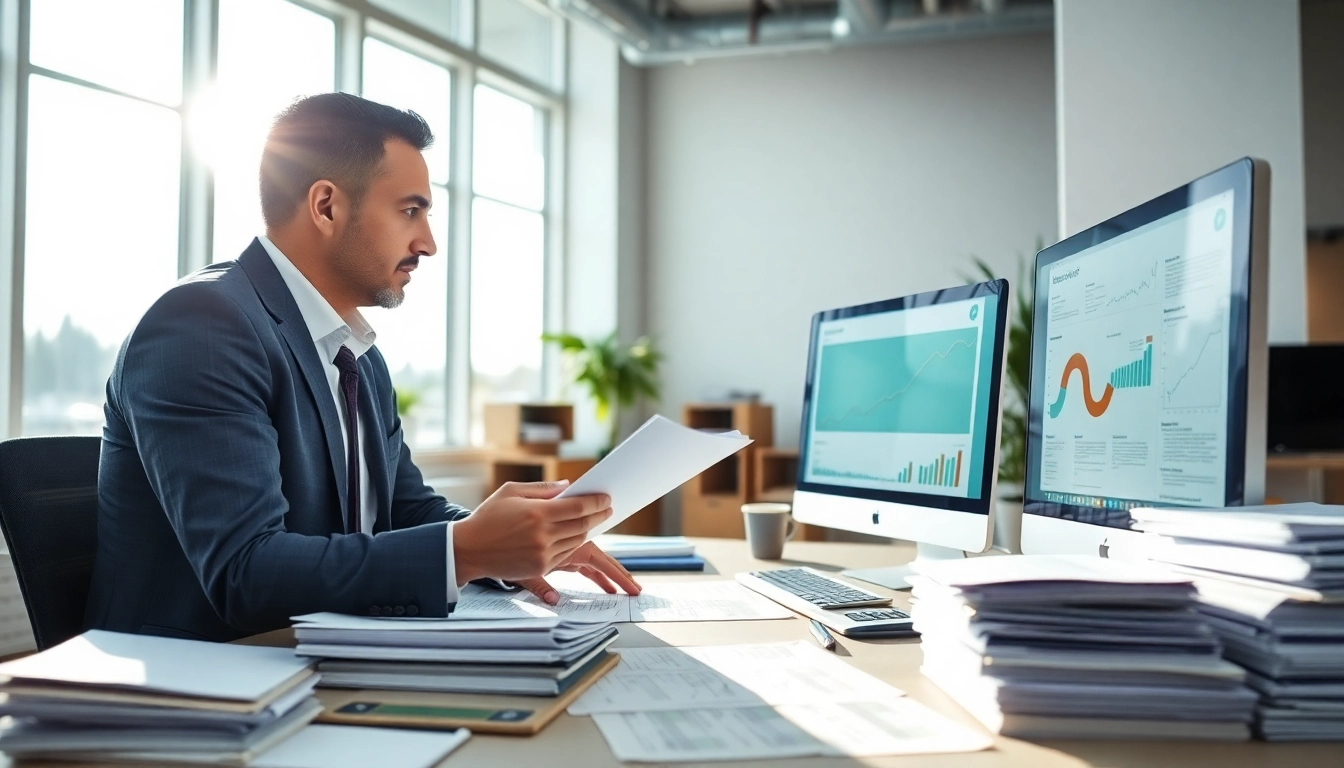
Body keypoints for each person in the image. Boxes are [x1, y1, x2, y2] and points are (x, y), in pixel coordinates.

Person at [84, 93, 639, 643]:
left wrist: (508, 544)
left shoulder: (353, 352)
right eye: (410, 210)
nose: (428, 243)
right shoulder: (202, 325)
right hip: (204, 684)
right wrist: (467, 549)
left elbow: (403, 507)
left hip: (316, 658)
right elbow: (244, 572)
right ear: (326, 206)